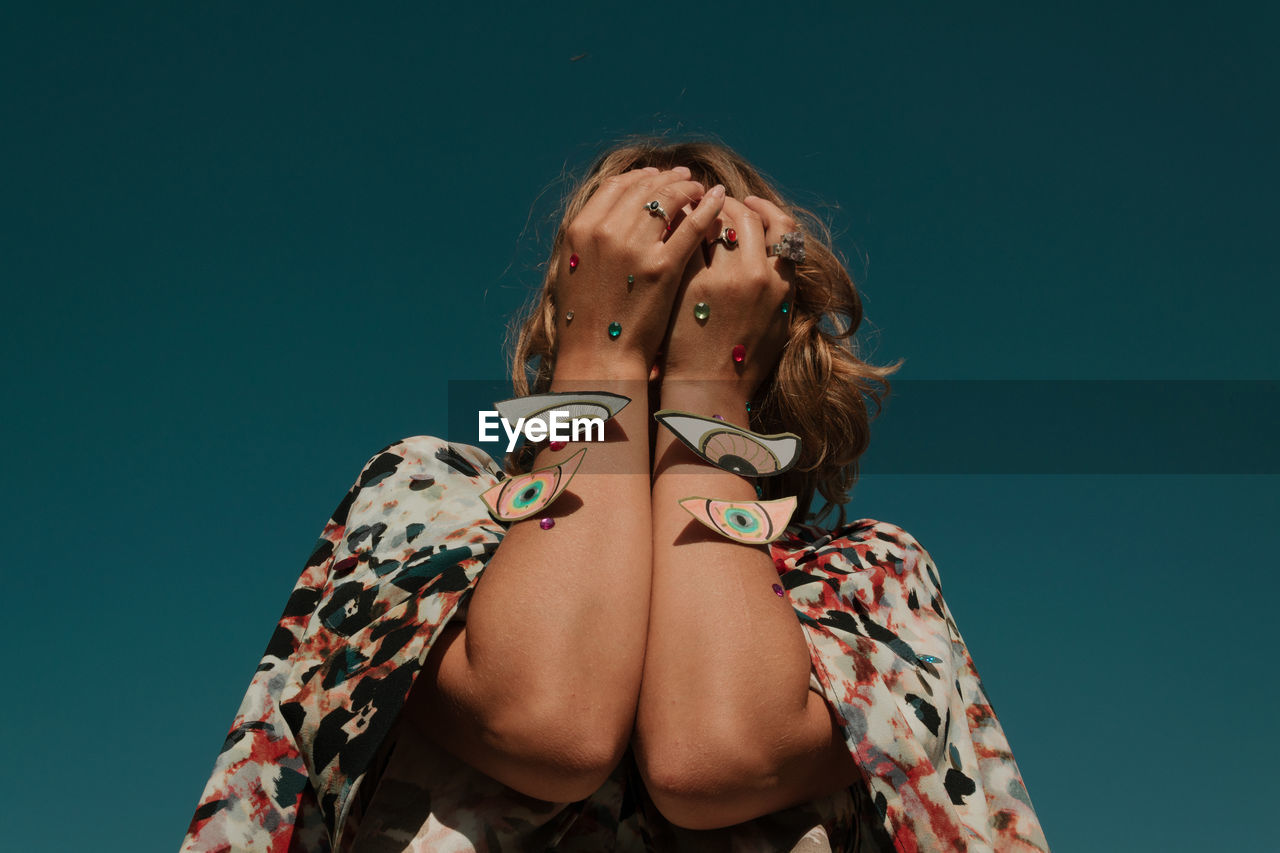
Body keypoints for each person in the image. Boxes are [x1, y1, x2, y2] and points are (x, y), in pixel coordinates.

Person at [181, 141, 1051, 852]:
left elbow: (713, 750)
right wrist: (600, 360)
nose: (669, 312)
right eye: (631, 279)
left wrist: (710, 397)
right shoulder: (426, 496)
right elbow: (546, 719)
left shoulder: (871, 578)